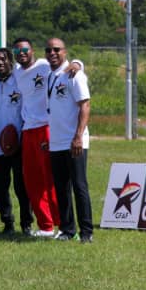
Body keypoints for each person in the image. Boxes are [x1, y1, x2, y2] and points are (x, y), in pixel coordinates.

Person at [12, 37, 82, 238]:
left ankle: (62, 225)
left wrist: (78, 63)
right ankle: (45, 226)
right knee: (32, 180)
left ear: (32, 50)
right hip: (28, 130)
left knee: (50, 179)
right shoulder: (16, 72)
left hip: (46, 127)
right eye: (17, 51)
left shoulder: (44, 65)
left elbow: (70, 66)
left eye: (25, 50)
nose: (21, 54)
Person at [44, 38, 93, 243]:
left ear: (65, 52)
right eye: (48, 50)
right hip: (56, 142)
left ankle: (87, 232)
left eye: (56, 49)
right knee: (61, 188)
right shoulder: (50, 75)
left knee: (79, 186)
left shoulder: (74, 74)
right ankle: (67, 230)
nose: (52, 53)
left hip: (74, 140)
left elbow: (85, 105)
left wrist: (78, 136)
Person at [0, 48, 33, 235]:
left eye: (3, 59)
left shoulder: (20, 81)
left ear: (10, 61)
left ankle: (26, 223)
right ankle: (7, 222)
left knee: (22, 186)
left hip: (20, 143)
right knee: (1, 187)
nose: (0, 63)